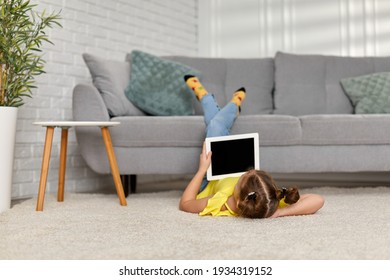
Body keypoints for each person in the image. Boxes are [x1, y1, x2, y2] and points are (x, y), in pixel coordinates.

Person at [179, 75, 324, 218]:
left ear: (237, 196)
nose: (244, 172)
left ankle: (222, 102)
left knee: (216, 125)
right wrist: (280, 212)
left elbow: (185, 203)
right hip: (227, 164)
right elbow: (318, 200)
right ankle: (228, 103)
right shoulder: (267, 201)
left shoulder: (221, 201)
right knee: (216, 125)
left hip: (209, 179)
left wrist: (201, 170)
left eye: (244, 174)